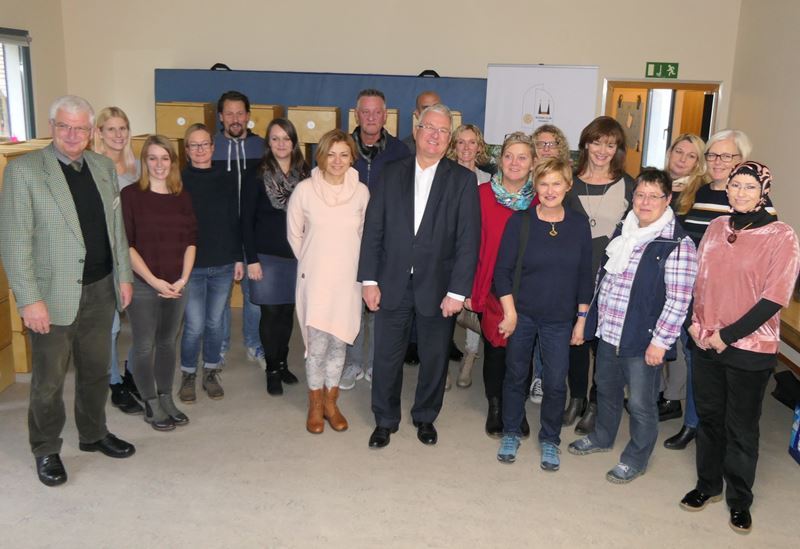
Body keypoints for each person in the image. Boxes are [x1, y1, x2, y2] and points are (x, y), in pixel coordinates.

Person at [0, 95, 136, 487]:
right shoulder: (24, 171)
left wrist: (123, 275)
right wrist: (29, 300)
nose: (73, 135)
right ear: (52, 127)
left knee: (95, 371)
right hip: (51, 296)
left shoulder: (102, 166)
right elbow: (13, 242)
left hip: (100, 289)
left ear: (91, 132)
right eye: (64, 126)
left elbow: (116, 231)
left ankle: (93, 434)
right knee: (49, 381)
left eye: (80, 128)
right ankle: (46, 448)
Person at [680, 161, 799, 535]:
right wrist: (695, 324)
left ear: (764, 190)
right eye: (735, 185)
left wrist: (726, 335)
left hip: (750, 347)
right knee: (710, 418)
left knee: (741, 427)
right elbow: (701, 282)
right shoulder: (716, 227)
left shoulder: (782, 236)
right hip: (705, 340)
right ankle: (707, 485)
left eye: (749, 186)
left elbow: (773, 299)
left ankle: (739, 500)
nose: (740, 193)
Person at [359, 103, 480, 449]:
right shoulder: (391, 173)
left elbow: (467, 240)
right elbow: (374, 229)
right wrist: (369, 280)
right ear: (416, 130)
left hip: (438, 288)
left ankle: (425, 416)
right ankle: (385, 419)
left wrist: (458, 292)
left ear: (449, 139)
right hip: (391, 283)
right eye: (430, 128)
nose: (436, 136)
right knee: (387, 356)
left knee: (435, 357)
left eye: (443, 131)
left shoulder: (462, 180)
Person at [568, 168, 697, 484]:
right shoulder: (623, 231)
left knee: (640, 403)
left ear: (668, 200)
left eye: (655, 196)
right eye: (640, 194)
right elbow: (603, 279)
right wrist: (589, 321)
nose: (645, 201)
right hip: (609, 331)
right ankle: (602, 437)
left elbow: (679, 301)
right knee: (607, 390)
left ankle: (636, 457)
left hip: (643, 339)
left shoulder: (677, 244)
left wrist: (660, 343)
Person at [664, 129, 775, 450]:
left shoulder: (753, 200)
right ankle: (693, 424)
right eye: (712, 155)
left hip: (735, 302)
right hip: (693, 294)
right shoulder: (695, 192)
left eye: (727, 156)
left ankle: (721, 431)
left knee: (731, 368)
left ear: (742, 161)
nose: (718, 162)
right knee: (697, 359)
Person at [493, 158, 592, 471]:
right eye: (544, 184)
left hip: (560, 319)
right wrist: (509, 312)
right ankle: (511, 430)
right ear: (535, 186)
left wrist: (581, 320)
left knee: (554, 381)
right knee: (515, 375)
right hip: (522, 315)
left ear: (567, 186)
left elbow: (584, 276)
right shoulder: (520, 222)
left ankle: (550, 438)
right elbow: (502, 272)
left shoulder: (578, 225)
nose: (550, 190)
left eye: (556, 184)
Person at [287, 129, 369, 433]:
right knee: (317, 345)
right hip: (316, 279)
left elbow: (365, 236)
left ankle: (332, 402)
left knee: (339, 343)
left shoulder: (361, 192)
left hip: (348, 280)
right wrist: (311, 261)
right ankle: (315, 404)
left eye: (344, 154)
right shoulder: (305, 190)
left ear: (352, 157)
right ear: (321, 155)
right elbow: (294, 233)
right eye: (331, 154)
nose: (337, 161)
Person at [562, 116, 635, 435]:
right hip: (572, 272)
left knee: (603, 343)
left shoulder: (629, 185)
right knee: (574, 338)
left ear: (618, 148)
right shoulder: (568, 180)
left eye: (610, 144)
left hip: (612, 277)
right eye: (596, 142)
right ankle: (576, 397)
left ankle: (595, 402)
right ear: (585, 144)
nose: (602, 150)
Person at [122, 135, 196, 431]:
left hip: (177, 284)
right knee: (143, 345)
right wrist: (154, 281)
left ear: (173, 162)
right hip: (143, 284)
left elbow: (192, 240)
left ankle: (166, 397)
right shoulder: (130, 195)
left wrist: (183, 279)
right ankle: (150, 401)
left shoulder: (182, 196)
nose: (159, 164)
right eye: (152, 158)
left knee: (167, 342)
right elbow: (126, 246)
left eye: (165, 158)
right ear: (144, 162)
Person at [466, 132, 537, 437]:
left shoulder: (540, 199)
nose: (514, 163)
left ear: (533, 162)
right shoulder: (480, 195)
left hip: (529, 288)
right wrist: (466, 289)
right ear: (499, 160)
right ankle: (496, 406)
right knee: (496, 349)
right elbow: (467, 244)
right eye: (509, 156)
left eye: (522, 157)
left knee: (522, 350)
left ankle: (516, 408)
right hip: (491, 285)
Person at [340, 89, 411, 390]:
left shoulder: (400, 151)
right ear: (356, 115)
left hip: (386, 240)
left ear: (385, 115)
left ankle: (374, 363)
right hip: (346, 238)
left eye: (376, 112)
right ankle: (354, 362)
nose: (371, 117)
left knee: (377, 303)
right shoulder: (341, 147)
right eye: (365, 112)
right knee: (351, 304)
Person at [242, 118, 309, 396]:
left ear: (294, 142)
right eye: (275, 138)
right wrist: (252, 259)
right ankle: (271, 369)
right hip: (266, 257)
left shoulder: (306, 175)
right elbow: (245, 220)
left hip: (297, 256)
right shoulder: (256, 174)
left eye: (286, 138)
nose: (281, 144)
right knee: (270, 314)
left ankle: (282, 362)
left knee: (286, 313)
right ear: (268, 143)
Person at [178, 124, 244, 403]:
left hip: (223, 263)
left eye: (205, 144)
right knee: (194, 324)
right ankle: (188, 373)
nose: (200, 150)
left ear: (213, 147)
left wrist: (239, 256)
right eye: (194, 145)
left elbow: (235, 219)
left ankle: (211, 371)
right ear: (186, 150)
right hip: (192, 266)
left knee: (215, 322)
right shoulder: (178, 181)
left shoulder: (228, 178)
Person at [93, 106, 142, 414]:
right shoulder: (92, 166)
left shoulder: (136, 166)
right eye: (110, 129)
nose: (118, 134)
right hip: (107, 254)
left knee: (143, 321)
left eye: (122, 128)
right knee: (111, 326)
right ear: (99, 132)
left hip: (136, 252)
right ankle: (113, 381)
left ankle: (133, 372)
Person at [212, 90, 265, 368]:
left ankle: (254, 344)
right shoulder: (209, 147)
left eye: (240, 113)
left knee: (254, 297)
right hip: (221, 237)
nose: (235, 118)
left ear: (248, 116)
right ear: (220, 116)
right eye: (229, 113)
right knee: (220, 299)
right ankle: (219, 346)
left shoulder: (262, 148)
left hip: (253, 237)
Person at [657, 134, 705, 427]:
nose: (682, 159)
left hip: (682, 277)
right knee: (659, 336)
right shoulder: (658, 183)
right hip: (655, 275)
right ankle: (663, 390)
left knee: (678, 341)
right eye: (679, 151)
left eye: (691, 156)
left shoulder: (699, 194)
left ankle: (673, 398)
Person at [528, 123, 571, 404]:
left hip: (556, 268)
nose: (545, 149)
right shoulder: (526, 178)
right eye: (540, 144)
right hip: (529, 266)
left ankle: (543, 377)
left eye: (551, 144)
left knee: (550, 330)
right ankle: (532, 376)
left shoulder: (564, 181)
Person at [445, 123, 491, 389]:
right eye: (460, 142)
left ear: (479, 146)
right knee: (445, 308)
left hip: (478, 252)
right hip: (448, 252)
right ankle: (441, 364)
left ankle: (470, 356)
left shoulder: (488, 180)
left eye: (471, 142)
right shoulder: (444, 174)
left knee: (473, 305)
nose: (465, 148)